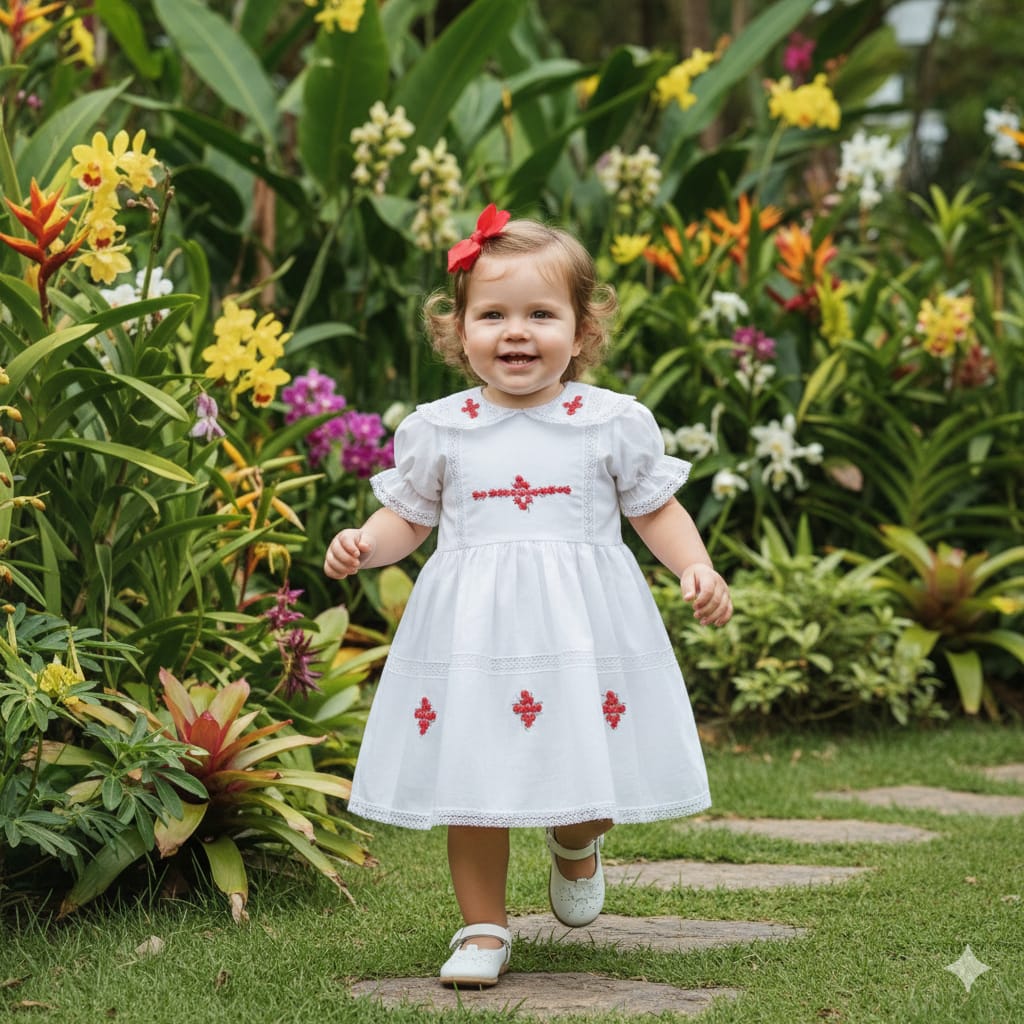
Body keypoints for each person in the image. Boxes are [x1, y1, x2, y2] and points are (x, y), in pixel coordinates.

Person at [324, 205, 732, 988]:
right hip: (474, 637)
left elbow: (655, 508)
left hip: (581, 632)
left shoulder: (609, 422)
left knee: (587, 770)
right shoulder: (442, 429)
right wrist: (366, 545)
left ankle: (576, 841)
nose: (516, 332)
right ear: (458, 330)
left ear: (581, 332)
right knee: (473, 780)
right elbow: (409, 517)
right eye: (493, 315)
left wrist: (696, 567)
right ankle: (482, 929)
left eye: (541, 314)